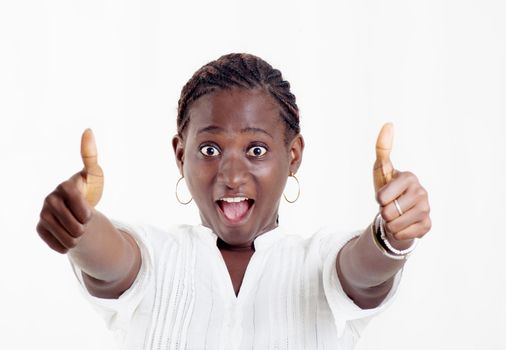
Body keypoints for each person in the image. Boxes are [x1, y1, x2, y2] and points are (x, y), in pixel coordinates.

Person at [36, 53, 431, 349]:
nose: (232, 175)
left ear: (292, 156)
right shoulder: (157, 257)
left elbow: (365, 271)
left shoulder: (319, 260)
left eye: (256, 150)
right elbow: (110, 262)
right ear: (180, 155)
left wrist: (391, 235)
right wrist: (79, 224)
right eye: (209, 150)